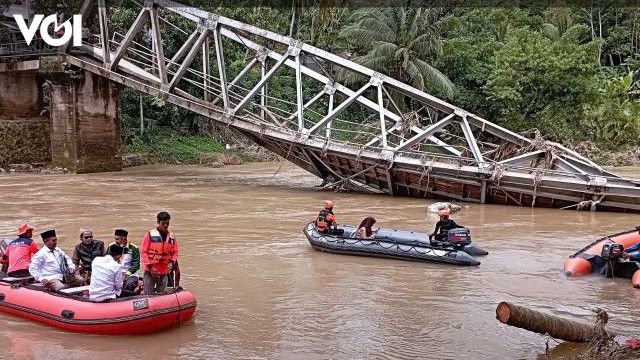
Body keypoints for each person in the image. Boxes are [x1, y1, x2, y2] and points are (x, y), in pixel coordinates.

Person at [141, 212, 179, 295]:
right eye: (163, 223)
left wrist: (172, 262)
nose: (166, 225)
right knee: (148, 294)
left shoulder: (172, 237)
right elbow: (144, 252)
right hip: (150, 270)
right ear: (158, 222)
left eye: (167, 223)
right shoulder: (149, 235)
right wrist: (151, 267)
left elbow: (175, 252)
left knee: (161, 294)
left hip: (164, 271)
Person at [109, 228, 141, 295]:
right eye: (115, 239)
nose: (115, 241)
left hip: (130, 273)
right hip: (115, 272)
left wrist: (127, 274)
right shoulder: (111, 246)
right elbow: (107, 261)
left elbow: (136, 264)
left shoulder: (133, 248)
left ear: (123, 239)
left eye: (117, 239)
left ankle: (126, 299)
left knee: (130, 283)